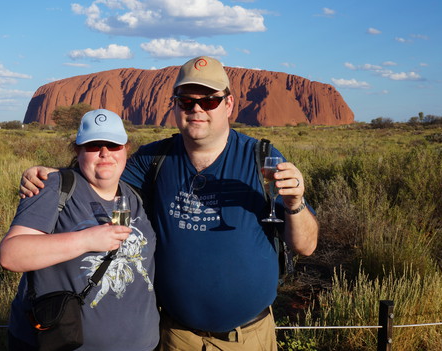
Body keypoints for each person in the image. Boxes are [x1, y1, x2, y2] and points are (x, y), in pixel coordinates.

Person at [20, 57, 319, 351]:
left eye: (210, 101)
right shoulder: (155, 159)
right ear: (175, 105)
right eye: (187, 101)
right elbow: (102, 169)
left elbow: (306, 246)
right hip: (176, 335)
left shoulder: (260, 157)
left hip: (247, 338)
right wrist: (52, 175)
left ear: (228, 104)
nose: (197, 109)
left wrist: (295, 203)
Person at [0, 109, 159, 351]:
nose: (105, 153)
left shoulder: (137, 195)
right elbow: (11, 254)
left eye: (113, 145)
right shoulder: (53, 187)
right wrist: (86, 240)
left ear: (126, 148)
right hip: (63, 343)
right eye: (94, 145)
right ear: (78, 150)